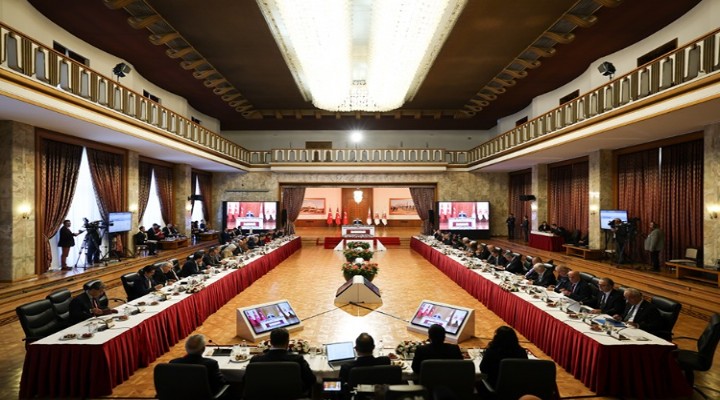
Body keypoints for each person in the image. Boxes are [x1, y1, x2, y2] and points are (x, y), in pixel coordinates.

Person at [248, 328, 316, 394]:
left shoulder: (255, 360)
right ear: (288, 343)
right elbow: (311, 380)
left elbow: (247, 381)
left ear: (270, 342)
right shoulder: (297, 359)